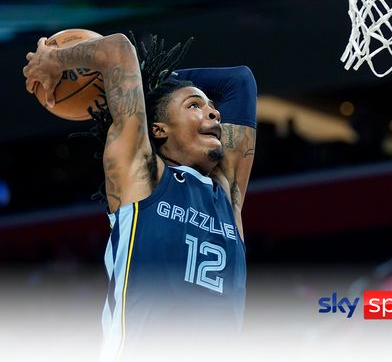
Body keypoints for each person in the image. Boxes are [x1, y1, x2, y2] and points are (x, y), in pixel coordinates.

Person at [23, 33, 257, 359]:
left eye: (212, 108)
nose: (214, 113)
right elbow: (118, 50)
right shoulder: (142, 174)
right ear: (158, 128)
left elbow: (239, 81)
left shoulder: (227, 195)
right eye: (195, 105)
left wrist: (151, 79)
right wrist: (55, 61)